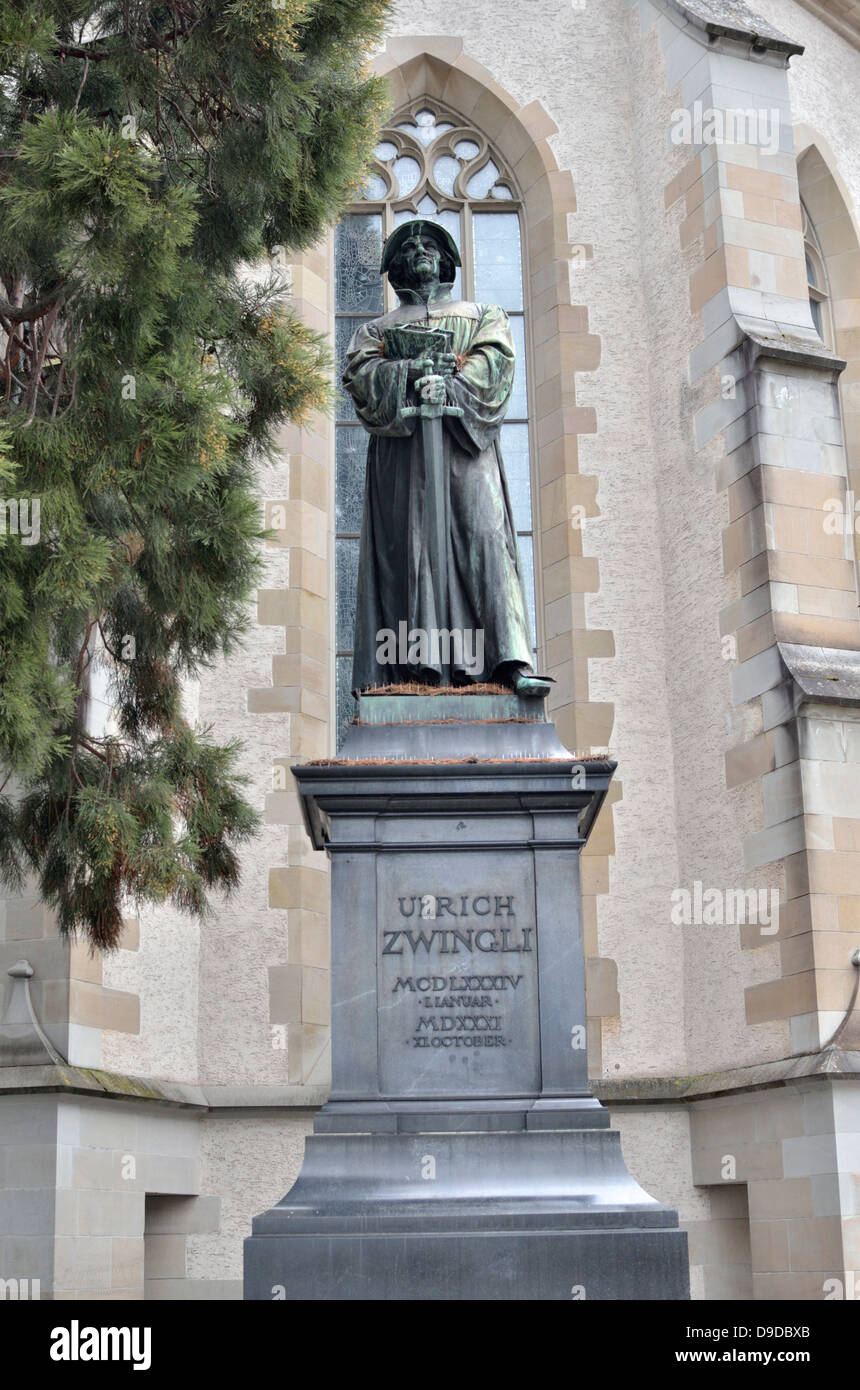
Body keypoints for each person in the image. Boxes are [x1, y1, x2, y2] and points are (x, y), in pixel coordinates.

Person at [342, 218, 552, 698]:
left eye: (430, 244)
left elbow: (494, 363)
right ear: (395, 269)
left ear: (446, 261)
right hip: (403, 459)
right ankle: (409, 675)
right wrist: (410, 374)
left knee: (485, 537)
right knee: (406, 553)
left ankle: (508, 664)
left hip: (466, 450)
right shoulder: (374, 329)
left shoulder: (483, 315)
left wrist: (451, 385)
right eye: (409, 246)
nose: (419, 250)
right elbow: (359, 377)